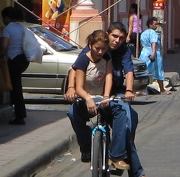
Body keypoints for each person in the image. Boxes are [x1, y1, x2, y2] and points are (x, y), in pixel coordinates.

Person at [66, 23, 144, 176]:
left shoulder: (120, 51)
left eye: (121, 38)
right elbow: (74, 70)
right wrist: (70, 88)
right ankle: (88, 148)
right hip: (90, 95)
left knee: (128, 121)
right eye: (114, 36)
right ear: (107, 34)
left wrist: (128, 90)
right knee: (72, 113)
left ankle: (124, 162)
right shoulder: (91, 50)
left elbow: (128, 72)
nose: (117, 41)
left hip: (113, 94)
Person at [0, 6, 30, 125]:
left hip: (13, 59)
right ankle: (19, 113)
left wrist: (0, 55)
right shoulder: (23, 28)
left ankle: (19, 115)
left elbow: (4, 46)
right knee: (17, 86)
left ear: (7, 17)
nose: (3, 21)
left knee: (15, 88)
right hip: (23, 59)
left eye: (4, 18)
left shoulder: (8, 29)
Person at [140, 17, 168, 93]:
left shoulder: (144, 33)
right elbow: (153, 43)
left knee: (143, 71)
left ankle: (139, 89)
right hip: (153, 53)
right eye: (155, 24)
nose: (156, 26)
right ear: (150, 24)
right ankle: (162, 89)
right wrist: (153, 52)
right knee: (158, 70)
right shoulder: (153, 33)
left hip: (144, 53)